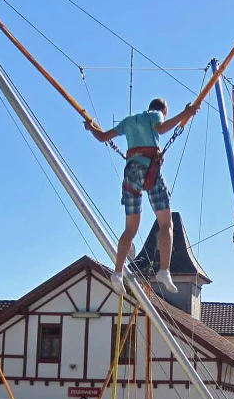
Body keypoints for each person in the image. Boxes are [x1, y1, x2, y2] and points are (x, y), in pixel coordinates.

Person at [84, 98, 201, 295]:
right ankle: (164, 270)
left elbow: (102, 136)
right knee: (166, 224)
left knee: (130, 228)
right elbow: (162, 128)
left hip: (131, 172)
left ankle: (118, 272)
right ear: (163, 109)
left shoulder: (128, 121)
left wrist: (91, 126)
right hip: (151, 170)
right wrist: (183, 114)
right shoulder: (155, 115)